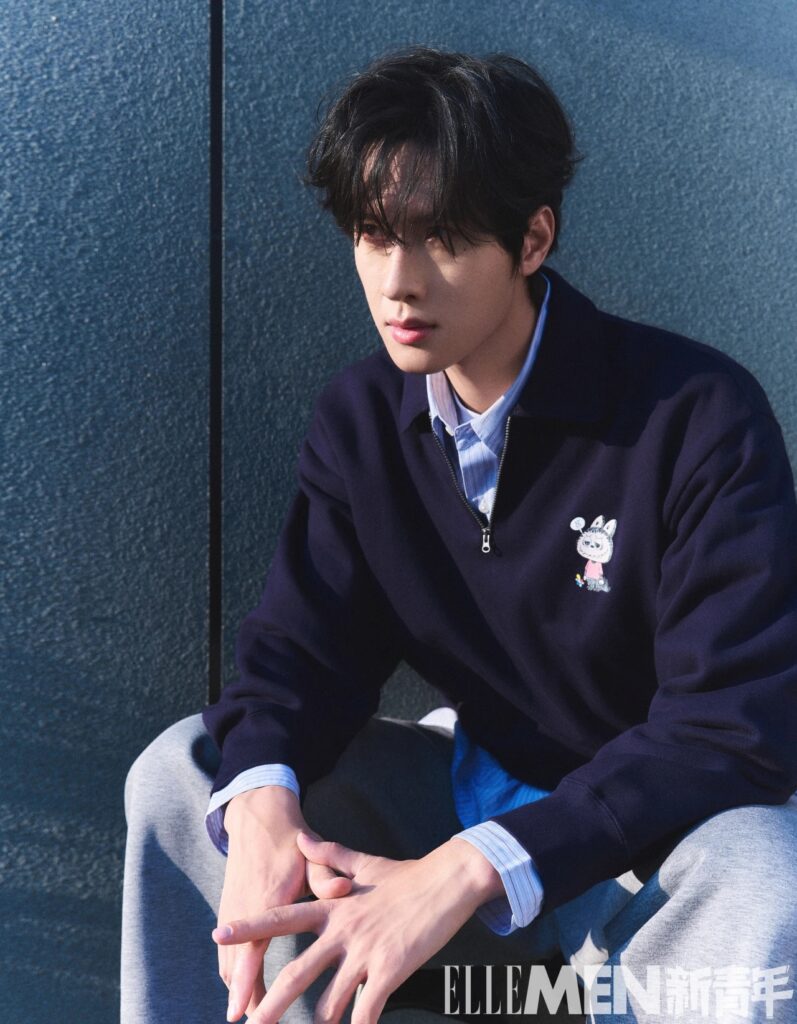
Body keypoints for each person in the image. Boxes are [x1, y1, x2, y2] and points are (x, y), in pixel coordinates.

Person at [122, 48, 797, 1024]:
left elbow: (729, 729)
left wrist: (478, 864)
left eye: (439, 239)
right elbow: (299, 659)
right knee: (194, 776)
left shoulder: (693, 416)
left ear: (531, 239)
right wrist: (264, 799)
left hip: (649, 840)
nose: (397, 284)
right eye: (372, 236)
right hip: (468, 789)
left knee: (766, 869)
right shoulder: (362, 421)